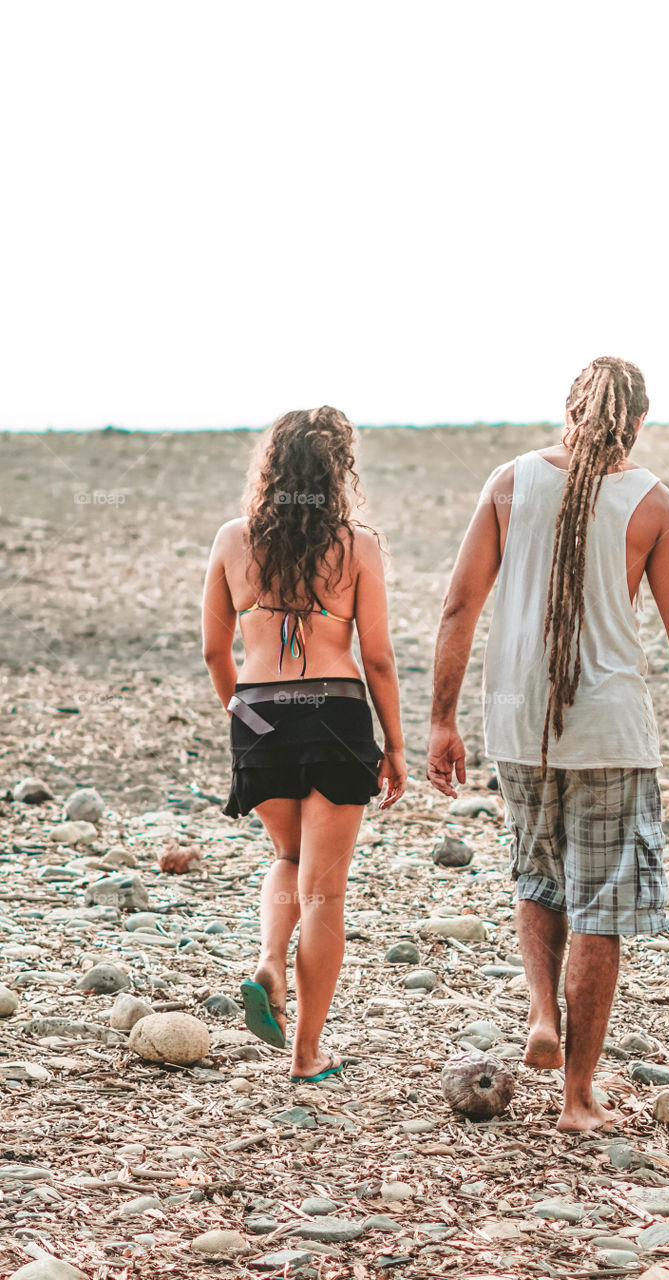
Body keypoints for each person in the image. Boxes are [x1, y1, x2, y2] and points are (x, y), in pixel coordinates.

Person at [426, 357, 669, 1131]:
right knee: (601, 907)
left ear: (569, 410)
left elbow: (459, 606)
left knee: (538, 874)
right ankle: (578, 1097)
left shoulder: (509, 482)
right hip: (609, 732)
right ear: (639, 422)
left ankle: (542, 1013)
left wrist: (442, 720)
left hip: (519, 724)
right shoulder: (653, 503)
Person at [202, 406, 406, 1083]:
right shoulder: (358, 546)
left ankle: (269, 960)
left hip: (260, 716)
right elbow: (378, 658)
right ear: (336, 472)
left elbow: (214, 651)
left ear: (272, 467)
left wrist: (244, 715)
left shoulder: (232, 541)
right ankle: (307, 1052)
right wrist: (395, 745)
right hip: (336, 717)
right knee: (324, 896)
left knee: (288, 857)